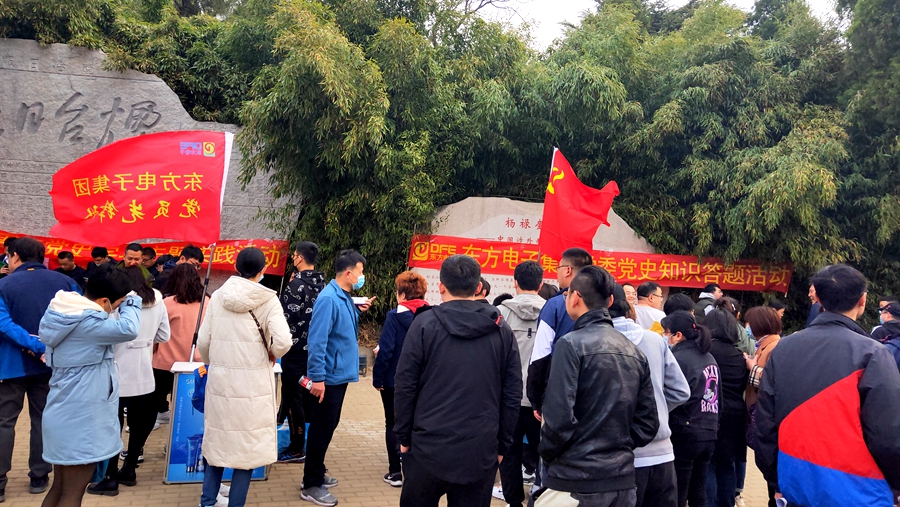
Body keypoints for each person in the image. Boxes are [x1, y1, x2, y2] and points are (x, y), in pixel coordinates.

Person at [755, 264, 900, 506]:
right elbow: (888, 434)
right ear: (862, 301)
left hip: (796, 486)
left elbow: (764, 424)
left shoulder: (783, 349)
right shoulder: (872, 353)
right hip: (861, 492)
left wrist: (776, 482)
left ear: (818, 299)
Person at [394, 254, 521, 507]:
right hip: (479, 449)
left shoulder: (424, 325)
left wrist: (404, 438)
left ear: (441, 286)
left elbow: (405, 386)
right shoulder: (501, 330)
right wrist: (502, 446)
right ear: (478, 287)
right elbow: (512, 393)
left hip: (427, 447)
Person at [537, 266, 659, 507]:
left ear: (575, 297)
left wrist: (550, 454)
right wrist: (616, 447)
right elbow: (648, 423)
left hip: (575, 480)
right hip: (621, 480)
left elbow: (558, 420)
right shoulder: (634, 351)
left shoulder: (569, 345)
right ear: (610, 300)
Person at [38, 264, 141, 507]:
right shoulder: (88, 324)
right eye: (118, 304)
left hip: (63, 412)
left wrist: (123, 298)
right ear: (104, 301)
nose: (118, 308)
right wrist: (133, 301)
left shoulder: (66, 314)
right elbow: (129, 328)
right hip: (82, 419)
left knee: (60, 488)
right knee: (72, 493)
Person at [196, 247, 292, 507]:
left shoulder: (218, 296)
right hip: (253, 386)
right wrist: (272, 353)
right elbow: (283, 342)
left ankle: (207, 501)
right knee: (246, 451)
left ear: (236, 267)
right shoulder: (268, 299)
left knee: (217, 444)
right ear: (263, 270)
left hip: (221, 383)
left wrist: (214, 363)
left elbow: (203, 341)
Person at [0, 237, 81, 501]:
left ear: (14, 256)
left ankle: (0, 482)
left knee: (4, 422)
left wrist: (32, 344)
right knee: (43, 419)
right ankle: (39, 475)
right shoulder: (66, 283)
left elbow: (3, 323)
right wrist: (46, 345)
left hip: (10, 366)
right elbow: (78, 318)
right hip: (52, 364)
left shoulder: (3, 285)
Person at [88, 266, 170, 495]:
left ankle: (110, 476)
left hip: (116, 374)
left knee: (113, 426)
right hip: (144, 373)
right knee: (139, 424)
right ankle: (130, 468)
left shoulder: (118, 303)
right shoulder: (158, 300)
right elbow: (164, 335)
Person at [301, 250, 373, 507]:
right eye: (360, 272)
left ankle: (317, 471)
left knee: (328, 425)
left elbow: (339, 330)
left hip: (338, 375)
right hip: (328, 377)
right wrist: (317, 378)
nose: (362, 276)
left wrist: (357, 311)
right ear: (348, 273)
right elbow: (317, 340)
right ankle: (311, 484)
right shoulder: (329, 298)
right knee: (321, 428)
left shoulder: (342, 296)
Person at [609, 284, 690, 507]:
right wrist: (655, 410)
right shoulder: (655, 340)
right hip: (662, 453)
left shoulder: (591, 342)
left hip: (616, 457)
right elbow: (681, 391)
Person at [372, 271, 429, 488]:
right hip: (423, 382)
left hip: (394, 380)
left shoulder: (394, 316)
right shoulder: (432, 315)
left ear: (402, 294)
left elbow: (386, 350)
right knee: (417, 423)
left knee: (393, 423)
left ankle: (395, 472)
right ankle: (415, 470)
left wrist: (378, 378)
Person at [496, 261, 546, 507]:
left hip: (509, 396)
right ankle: (540, 499)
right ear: (541, 284)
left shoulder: (500, 313)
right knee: (543, 453)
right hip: (540, 399)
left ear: (514, 282)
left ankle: (513, 501)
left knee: (509, 452)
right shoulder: (553, 311)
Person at [661, 311, 720, 507]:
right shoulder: (709, 358)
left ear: (678, 335)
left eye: (666, 332)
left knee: (678, 492)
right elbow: (719, 398)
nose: (665, 337)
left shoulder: (677, 358)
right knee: (698, 493)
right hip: (709, 430)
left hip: (685, 431)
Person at [528, 247, 592, 418]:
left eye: (558, 268)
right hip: (594, 397)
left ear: (568, 270)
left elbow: (541, 354)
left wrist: (536, 399)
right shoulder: (599, 304)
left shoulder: (554, 305)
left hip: (558, 394)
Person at [278, 241, 326, 464]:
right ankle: (310, 443)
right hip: (315, 351)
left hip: (294, 350)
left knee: (292, 397)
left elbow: (283, 318)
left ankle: (297, 447)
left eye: (294, 255)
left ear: (300, 258)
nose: (293, 259)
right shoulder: (323, 284)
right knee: (309, 395)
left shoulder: (295, 285)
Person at [702, 308, 749, 507]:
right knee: (728, 464)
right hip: (735, 415)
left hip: (710, 412)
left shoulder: (704, 352)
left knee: (709, 464)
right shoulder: (740, 356)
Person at [152, 264, 207, 425]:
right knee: (190, 398)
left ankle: (159, 414)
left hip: (166, 361)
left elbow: (157, 332)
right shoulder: (207, 302)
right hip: (197, 361)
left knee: (158, 393)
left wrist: (153, 350)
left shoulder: (167, 303)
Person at [872, 299, 900, 370]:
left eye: (882, 313)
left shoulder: (879, 331)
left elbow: (871, 351)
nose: (880, 315)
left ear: (888, 315)